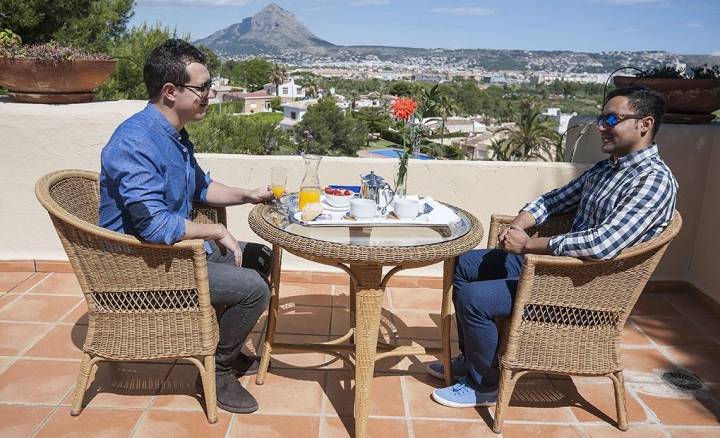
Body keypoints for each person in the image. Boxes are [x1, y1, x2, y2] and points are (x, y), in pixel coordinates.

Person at [427, 85, 678, 408]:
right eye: (602, 118)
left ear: (644, 124)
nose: (601, 126)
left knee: (476, 300)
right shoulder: (607, 168)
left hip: (585, 284)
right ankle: (475, 359)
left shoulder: (652, 180)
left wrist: (529, 245)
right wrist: (518, 226)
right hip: (559, 267)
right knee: (466, 264)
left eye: (612, 119)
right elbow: (552, 200)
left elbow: (602, 244)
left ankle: (483, 386)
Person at [98, 39, 274, 414]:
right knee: (254, 290)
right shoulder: (134, 142)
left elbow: (200, 186)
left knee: (260, 257)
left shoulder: (173, 135)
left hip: (172, 255)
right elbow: (153, 226)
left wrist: (249, 194)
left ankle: (222, 344)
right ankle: (219, 369)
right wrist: (215, 231)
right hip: (141, 267)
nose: (210, 94)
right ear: (170, 92)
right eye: (203, 88)